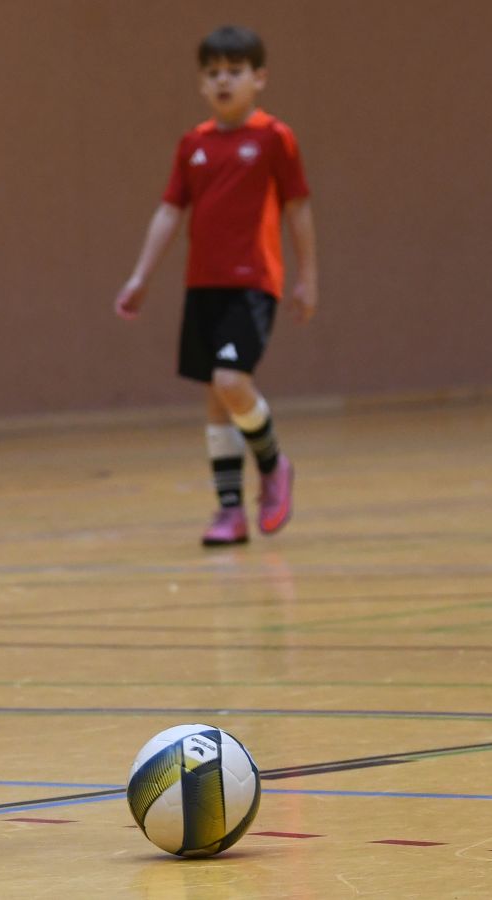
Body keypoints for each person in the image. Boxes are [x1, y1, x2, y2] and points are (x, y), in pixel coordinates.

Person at [114, 25, 318, 546]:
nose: (223, 81)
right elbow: (169, 211)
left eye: (235, 71)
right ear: (201, 82)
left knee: (231, 381)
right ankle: (230, 511)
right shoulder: (194, 144)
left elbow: (298, 208)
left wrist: (307, 278)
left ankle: (273, 464)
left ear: (259, 78)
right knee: (214, 398)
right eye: (213, 73)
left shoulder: (275, 138)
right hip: (202, 286)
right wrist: (140, 276)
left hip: (254, 285)